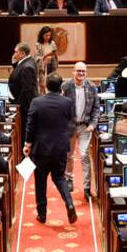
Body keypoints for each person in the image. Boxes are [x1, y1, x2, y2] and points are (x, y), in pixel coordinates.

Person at [25, 74, 77, 225]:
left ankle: (42, 215)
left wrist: (27, 144)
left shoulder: (37, 102)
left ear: (46, 86)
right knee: (60, 178)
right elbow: (71, 122)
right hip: (60, 147)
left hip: (41, 149)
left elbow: (30, 125)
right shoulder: (67, 102)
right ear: (61, 87)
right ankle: (69, 203)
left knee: (40, 182)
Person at [62, 62, 99, 201]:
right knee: (69, 156)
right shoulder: (66, 86)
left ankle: (87, 187)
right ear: (73, 72)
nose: (81, 74)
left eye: (83, 71)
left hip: (85, 126)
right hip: (70, 126)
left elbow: (96, 108)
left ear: (86, 72)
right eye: (78, 71)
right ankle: (69, 179)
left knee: (84, 156)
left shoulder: (92, 87)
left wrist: (93, 124)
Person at [9, 43, 38, 119]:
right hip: (21, 103)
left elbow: (27, 90)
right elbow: (19, 72)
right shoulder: (26, 62)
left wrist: (17, 104)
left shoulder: (27, 67)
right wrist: (14, 63)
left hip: (24, 106)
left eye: (16, 52)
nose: (14, 54)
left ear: (22, 54)